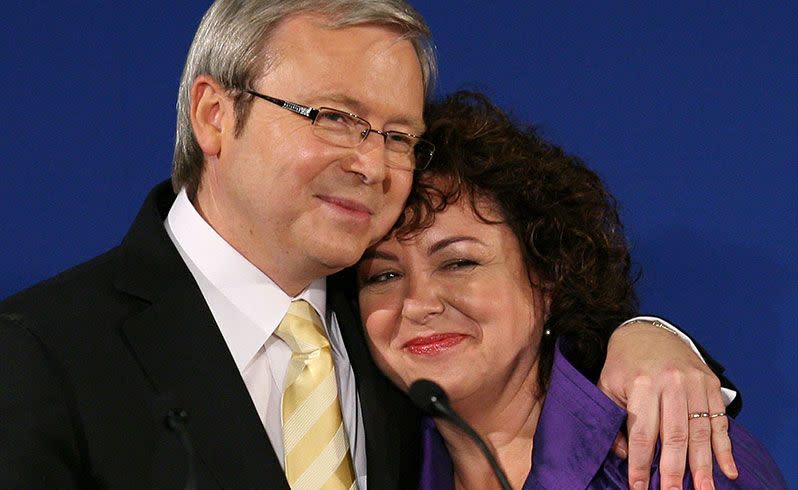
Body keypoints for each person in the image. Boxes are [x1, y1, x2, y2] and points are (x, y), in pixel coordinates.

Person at [0, 1, 738, 488]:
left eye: (397, 135)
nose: (371, 163)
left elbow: (549, 350)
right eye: (333, 116)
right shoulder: (40, 352)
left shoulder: (392, 327)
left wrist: (652, 338)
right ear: (215, 114)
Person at [355, 91, 787, 489]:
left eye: (459, 262)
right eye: (383, 276)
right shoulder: (371, 462)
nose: (418, 303)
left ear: (548, 275)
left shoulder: (682, 460)